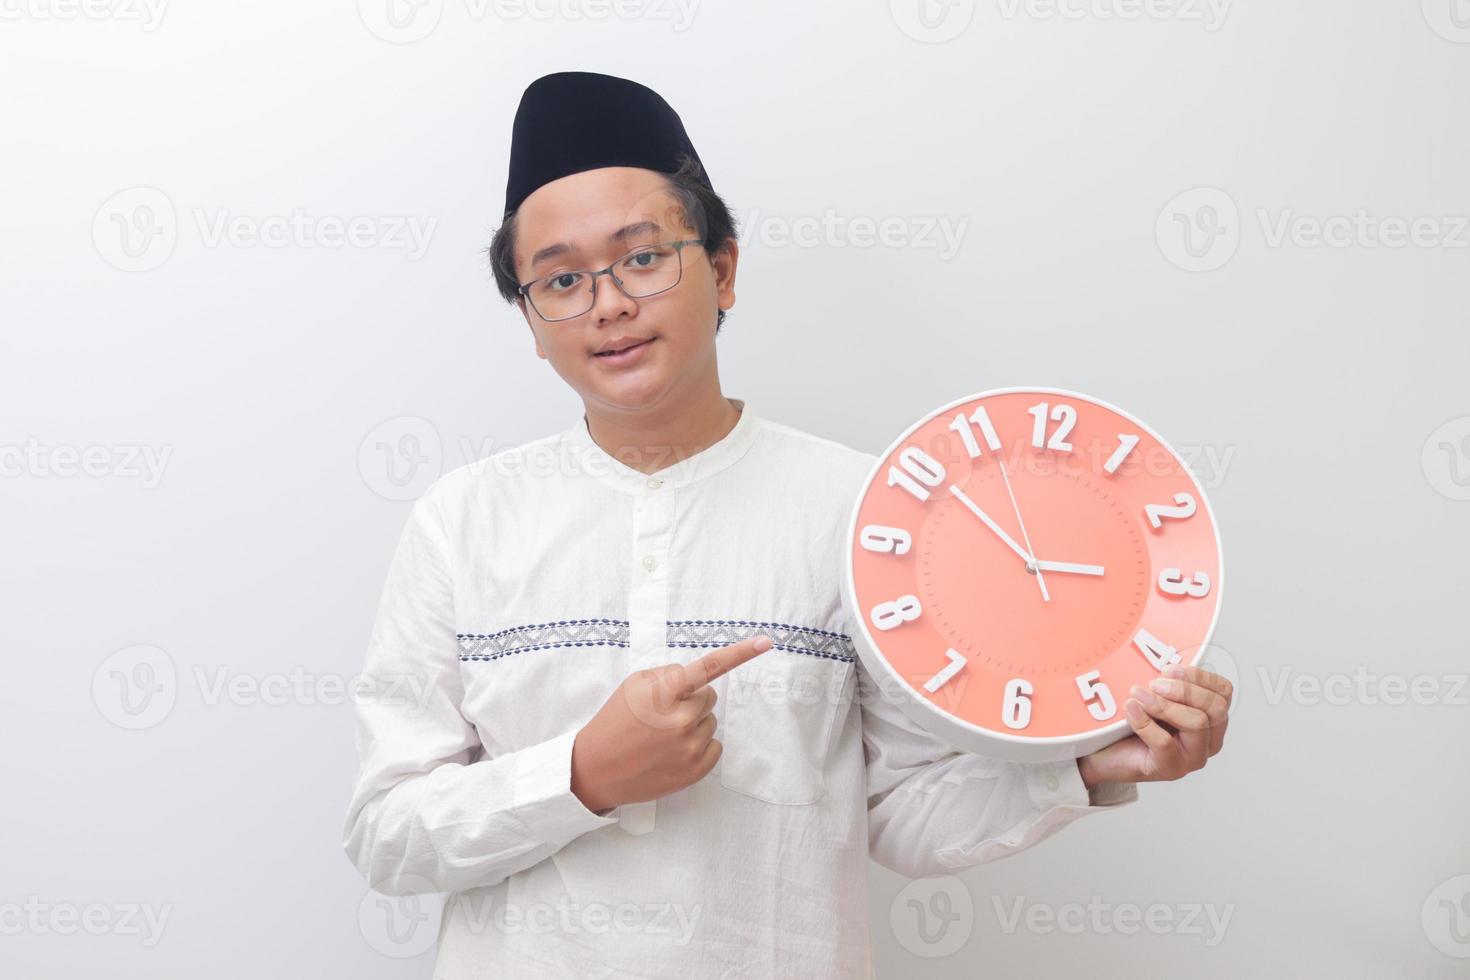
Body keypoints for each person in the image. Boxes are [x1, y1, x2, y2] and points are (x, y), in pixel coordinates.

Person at [340, 70, 1235, 978]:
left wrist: (1085, 768)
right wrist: (583, 774)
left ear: (722, 267)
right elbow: (386, 832)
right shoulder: (462, 520)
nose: (607, 303)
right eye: (561, 279)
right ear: (532, 321)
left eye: (643, 258)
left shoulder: (863, 512)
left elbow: (894, 811)